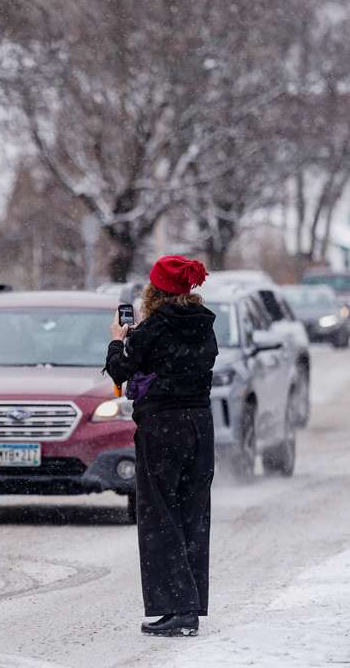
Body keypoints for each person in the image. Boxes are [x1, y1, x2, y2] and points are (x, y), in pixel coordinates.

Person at [105, 255, 218, 638]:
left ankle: (176, 608)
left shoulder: (153, 329)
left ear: (155, 290)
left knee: (159, 514)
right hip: (200, 425)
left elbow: (121, 370)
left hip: (162, 427)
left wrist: (117, 340)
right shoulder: (205, 327)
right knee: (192, 512)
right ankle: (191, 604)